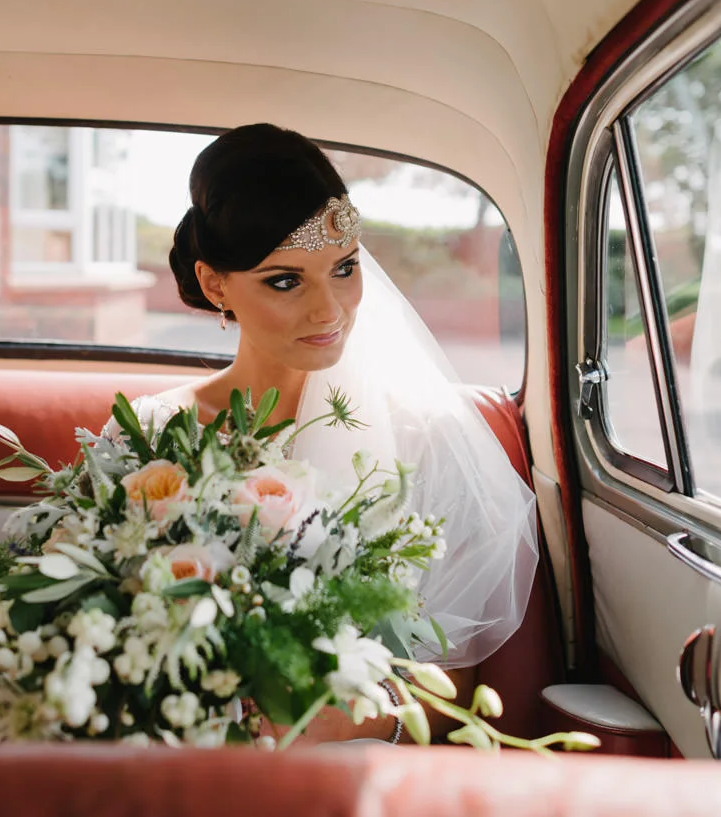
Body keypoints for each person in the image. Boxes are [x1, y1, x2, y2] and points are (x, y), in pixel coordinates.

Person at [133, 122, 539, 741]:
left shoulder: (421, 439)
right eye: (286, 281)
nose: (329, 310)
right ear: (216, 285)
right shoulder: (150, 436)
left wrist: (300, 729)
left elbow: (445, 683)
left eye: (344, 268)